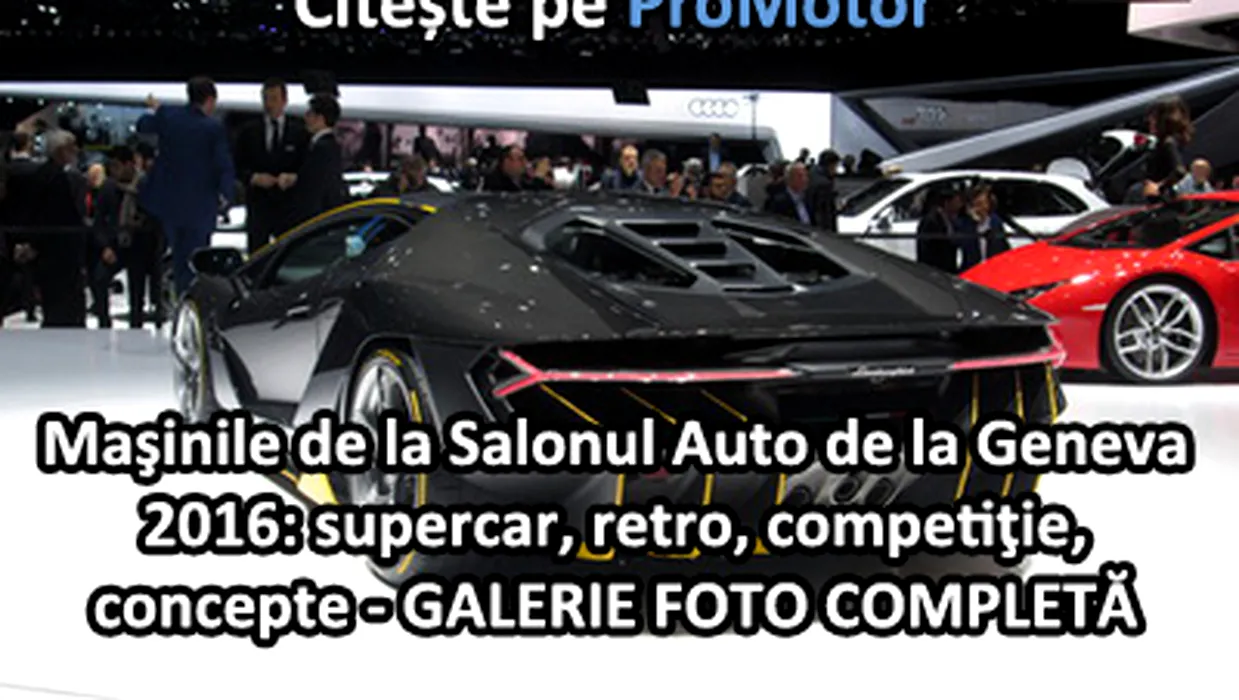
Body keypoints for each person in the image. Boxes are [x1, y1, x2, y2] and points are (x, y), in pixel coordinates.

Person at [137, 76, 235, 295]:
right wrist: (226, 196)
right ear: (210, 100)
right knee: (196, 261)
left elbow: (143, 125)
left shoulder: (169, 116)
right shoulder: (212, 128)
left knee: (178, 257)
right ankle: (191, 301)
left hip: (169, 204)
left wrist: (157, 110)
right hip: (200, 206)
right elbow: (223, 165)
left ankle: (180, 297)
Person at [234, 78, 308, 254]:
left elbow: (306, 166)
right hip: (258, 204)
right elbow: (237, 164)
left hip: (287, 205)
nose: (269, 104)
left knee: (288, 253)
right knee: (257, 252)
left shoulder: (299, 131)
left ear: (284, 100)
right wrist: (253, 178)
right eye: (266, 99)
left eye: (274, 99)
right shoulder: (248, 131)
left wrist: (293, 178)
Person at [279, 93, 346, 229]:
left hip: (316, 220)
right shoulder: (330, 146)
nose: (306, 118)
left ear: (320, 118)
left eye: (309, 114)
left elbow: (313, 189)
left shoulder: (322, 149)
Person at [1143, 95, 1192, 201]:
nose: (1149, 121)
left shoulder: (1169, 143)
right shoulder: (1175, 140)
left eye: (1154, 117)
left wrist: (1159, 186)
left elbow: (1179, 171)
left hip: (1163, 199)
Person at [957, 184, 1009, 271]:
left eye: (981, 204)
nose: (979, 208)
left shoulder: (996, 223)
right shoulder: (966, 224)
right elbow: (963, 247)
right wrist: (972, 223)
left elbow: (1003, 248)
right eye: (976, 205)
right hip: (972, 270)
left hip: (993, 269)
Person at [916, 186, 964, 274]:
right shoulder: (931, 221)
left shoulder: (951, 220)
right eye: (957, 202)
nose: (959, 206)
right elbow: (926, 252)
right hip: (936, 270)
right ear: (947, 203)